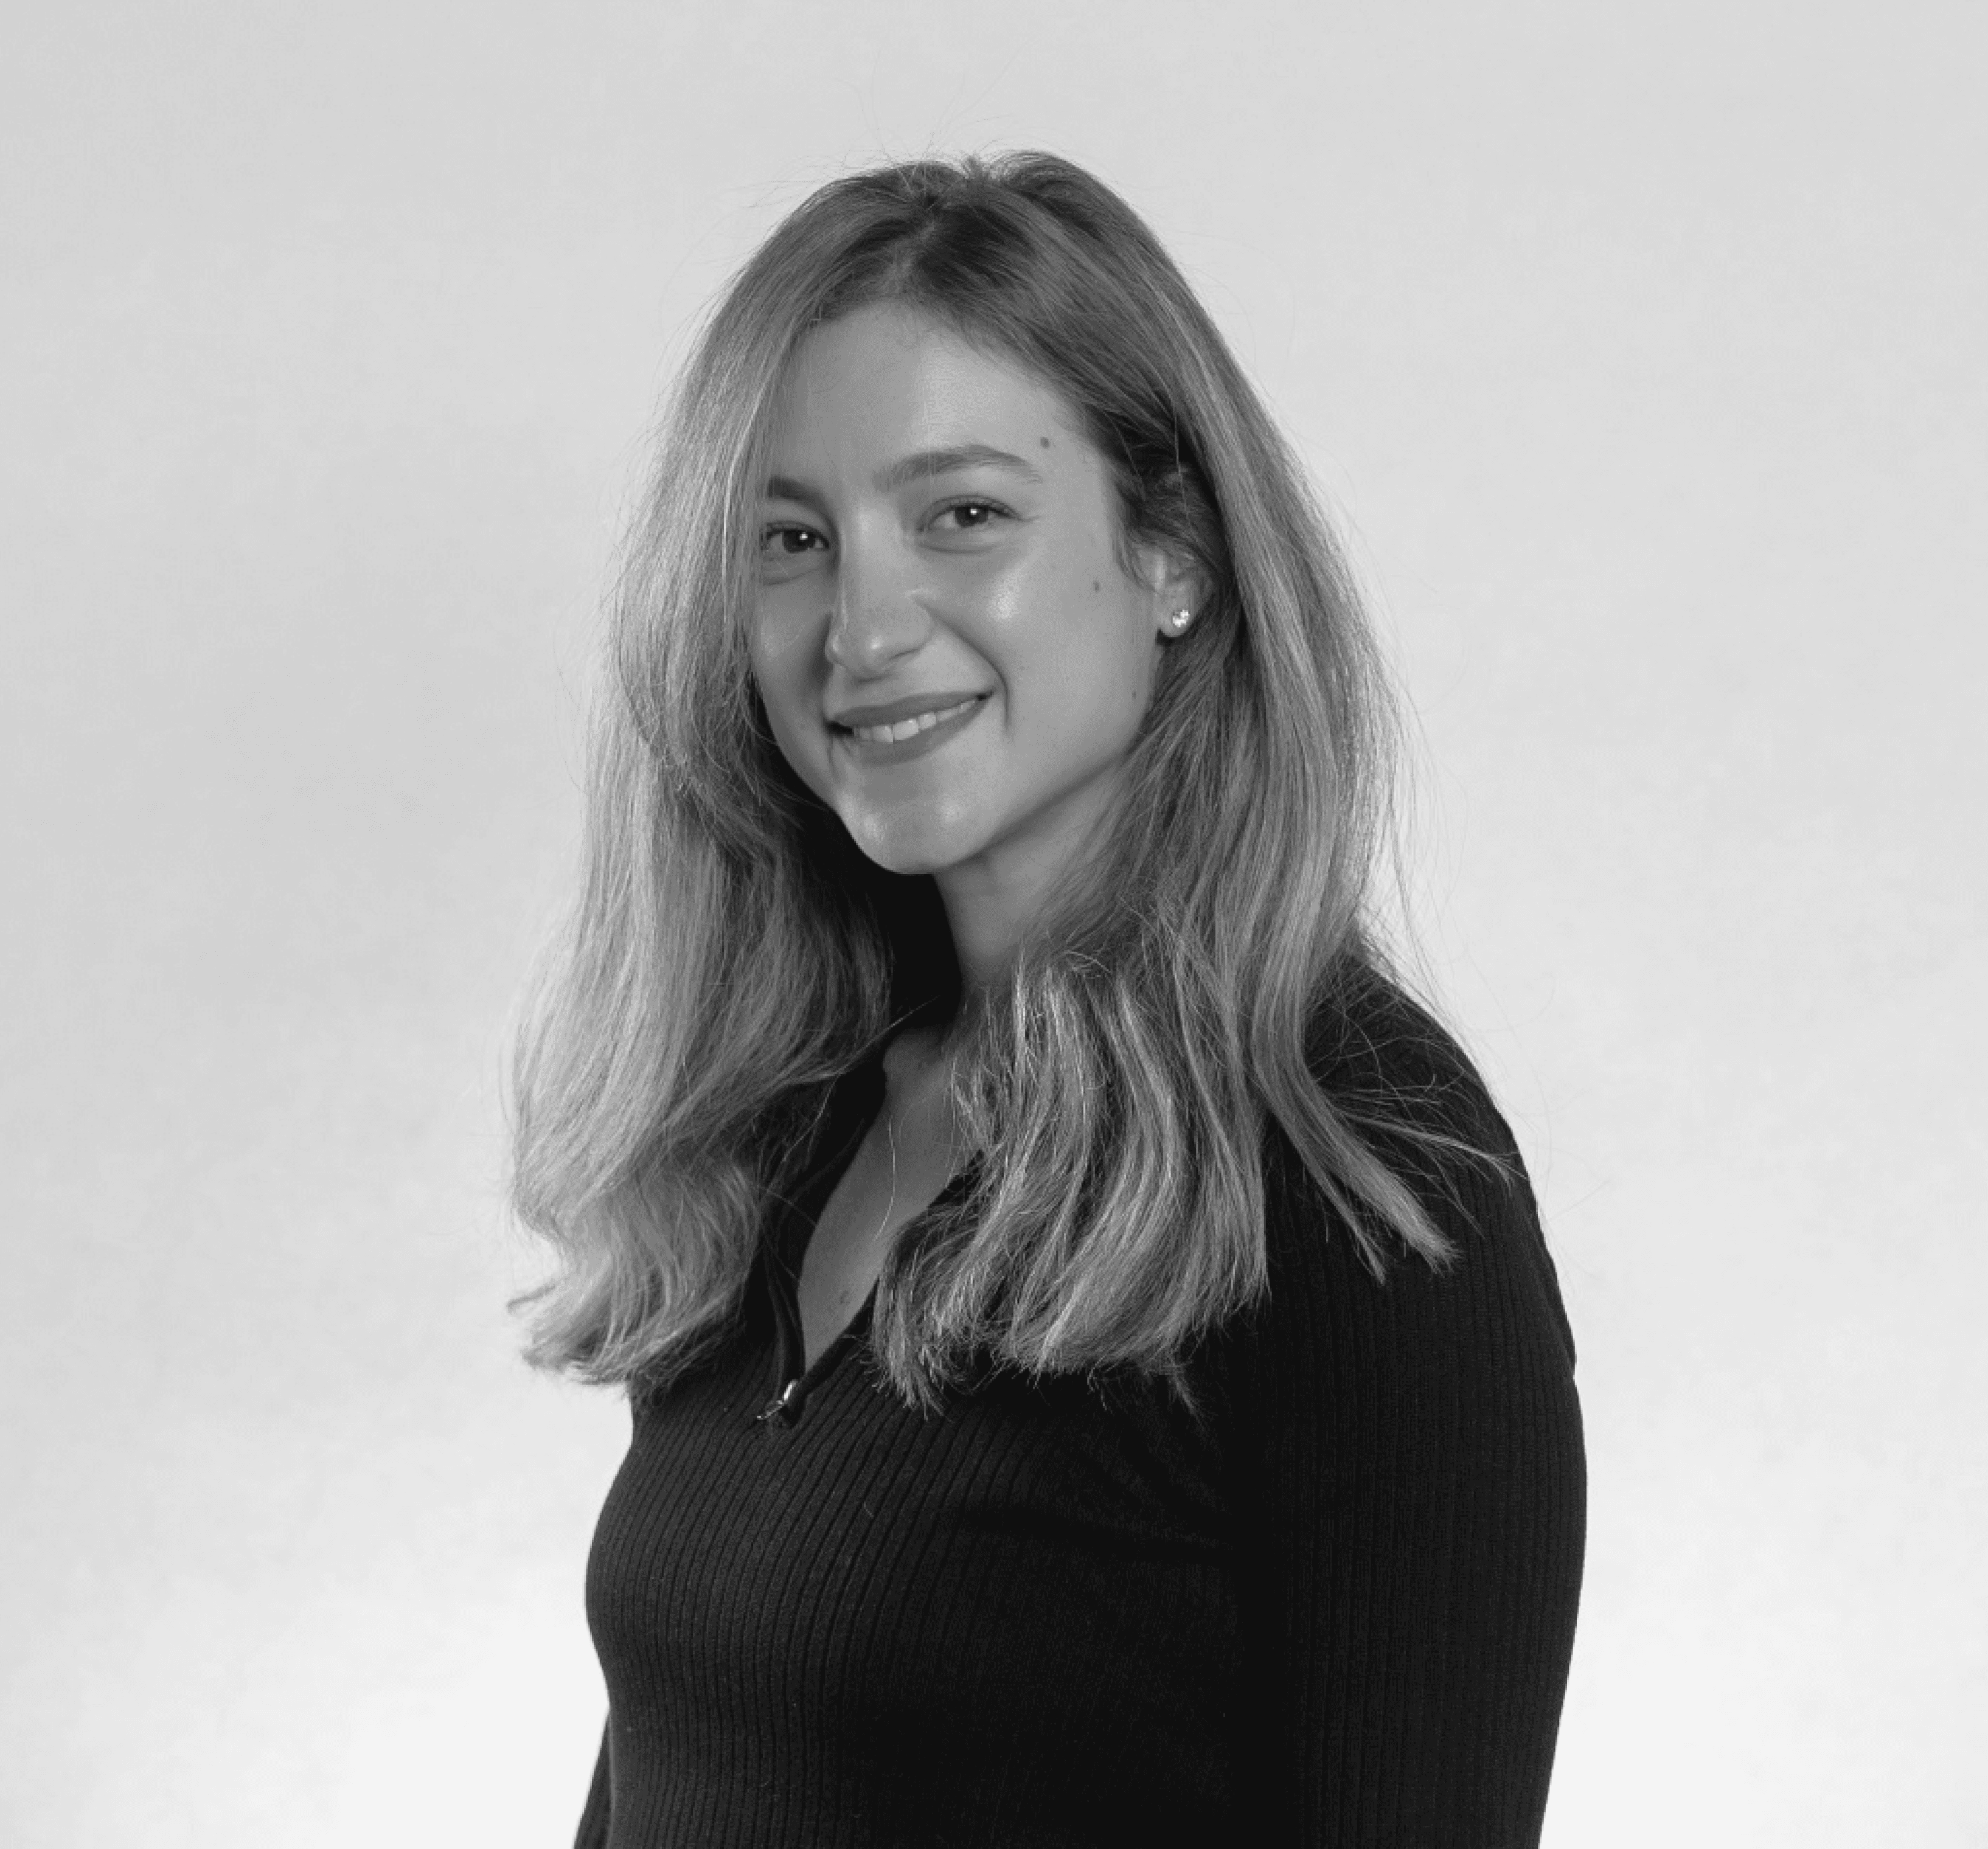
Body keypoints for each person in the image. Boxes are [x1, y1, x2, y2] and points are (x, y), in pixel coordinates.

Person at [512, 151, 1585, 1848]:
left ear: (1174, 555)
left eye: (962, 515)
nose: (860, 627)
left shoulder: (1354, 1160)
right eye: (794, 540)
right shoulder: (789, 1131)